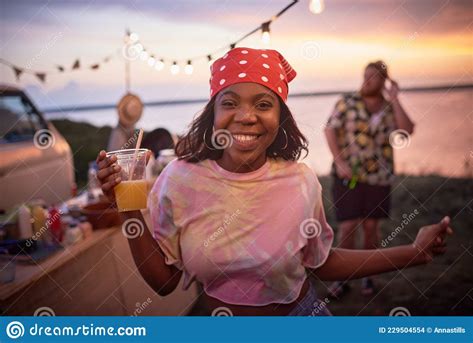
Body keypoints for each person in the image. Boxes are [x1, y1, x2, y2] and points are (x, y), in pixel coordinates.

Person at [96, 48, 451, 316]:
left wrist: (415, 253)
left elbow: (321, 262)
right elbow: (164, 282)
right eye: (230, 102)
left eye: (263, 104)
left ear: (280, 117)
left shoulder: (300, 181)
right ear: (213, 115)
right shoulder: (179, 180)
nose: (246, 116)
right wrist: (127, 206)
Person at [324, 61, 415, 298]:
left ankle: (367, 278)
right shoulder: (347, 102)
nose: (366, 81)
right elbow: (329, 129)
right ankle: (342, 279)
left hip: (379, 177)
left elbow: (408, 130)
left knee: (371, 227)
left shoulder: (389, 107)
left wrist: (395, 99)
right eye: (364, 76)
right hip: (347, 176)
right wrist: (340, 162)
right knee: (347, 226)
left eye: (373, 77)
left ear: (384, 81)